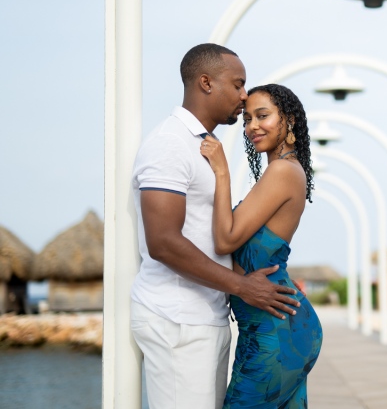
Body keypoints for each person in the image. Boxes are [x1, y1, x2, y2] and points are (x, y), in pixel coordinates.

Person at [130, 44, 302, 409]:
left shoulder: (201, 147)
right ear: (206, 83)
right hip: (177, 320)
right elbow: (162, 242)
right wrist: (242, 286)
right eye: (238, 84)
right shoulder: (169, 145)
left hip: (206, 317)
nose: (243, 96)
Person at [200, 83, 322, 409]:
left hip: (274, 332)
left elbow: (225, 240)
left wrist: (222, 172)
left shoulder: (282, 170)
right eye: (247, 119)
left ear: (290, 119)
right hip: (272, 325)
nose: (252, 126)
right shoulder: (284, 170)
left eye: (263, 116)